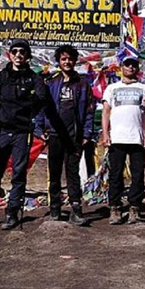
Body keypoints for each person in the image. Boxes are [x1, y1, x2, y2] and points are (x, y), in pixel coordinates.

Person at [0, 39, 73, 230]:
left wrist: (29, 109)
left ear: (27, 56)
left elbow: (43, 100)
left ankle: (12, 214)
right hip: (1, 132)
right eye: (15, 51)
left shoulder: (34, 79)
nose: (18, 55)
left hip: (22, 133)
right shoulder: (0, 77)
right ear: (9, 55)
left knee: (18, 175)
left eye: (22, 52)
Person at [35, 45, 94, 226]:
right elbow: (42, 107)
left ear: (75, 61)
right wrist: (39, 129)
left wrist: (86, 133)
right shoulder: (51, 83)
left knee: (72, 173)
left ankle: (76, 210)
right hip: (54, 134)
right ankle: (55, 209)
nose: (67, 62)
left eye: (70, 59)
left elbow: (89, 111)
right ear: (58, 62)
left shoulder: (82, 84)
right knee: (54, 173)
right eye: (63, 59)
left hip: (74, 137)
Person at [101, 56, 145, 225]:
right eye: (127, 65)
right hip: (117, 137)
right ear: (121, 67)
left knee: (137, 174)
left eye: (134, 65)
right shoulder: (111, 88)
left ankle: (135, 207)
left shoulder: (144, 88)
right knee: (115, 174)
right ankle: (115, 207)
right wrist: (105, 134)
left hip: (137, 138)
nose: (131, 68)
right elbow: (106, 112)